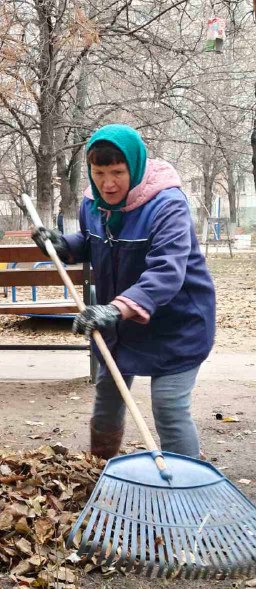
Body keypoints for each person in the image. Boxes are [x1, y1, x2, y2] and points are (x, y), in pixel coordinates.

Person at [31, 124, 215, 460]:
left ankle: (184, 490)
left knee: (169, 408)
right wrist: (63, 246)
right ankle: (99, 472)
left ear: (136, 166)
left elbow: (167, 272)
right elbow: (92, 242)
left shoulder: (166, 204)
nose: (108, 183)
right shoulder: (93, 203)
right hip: (121, 321)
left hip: (177, 323)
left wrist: (114, 310)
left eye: (117, 172)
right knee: (107, 399)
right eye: (99, 172)